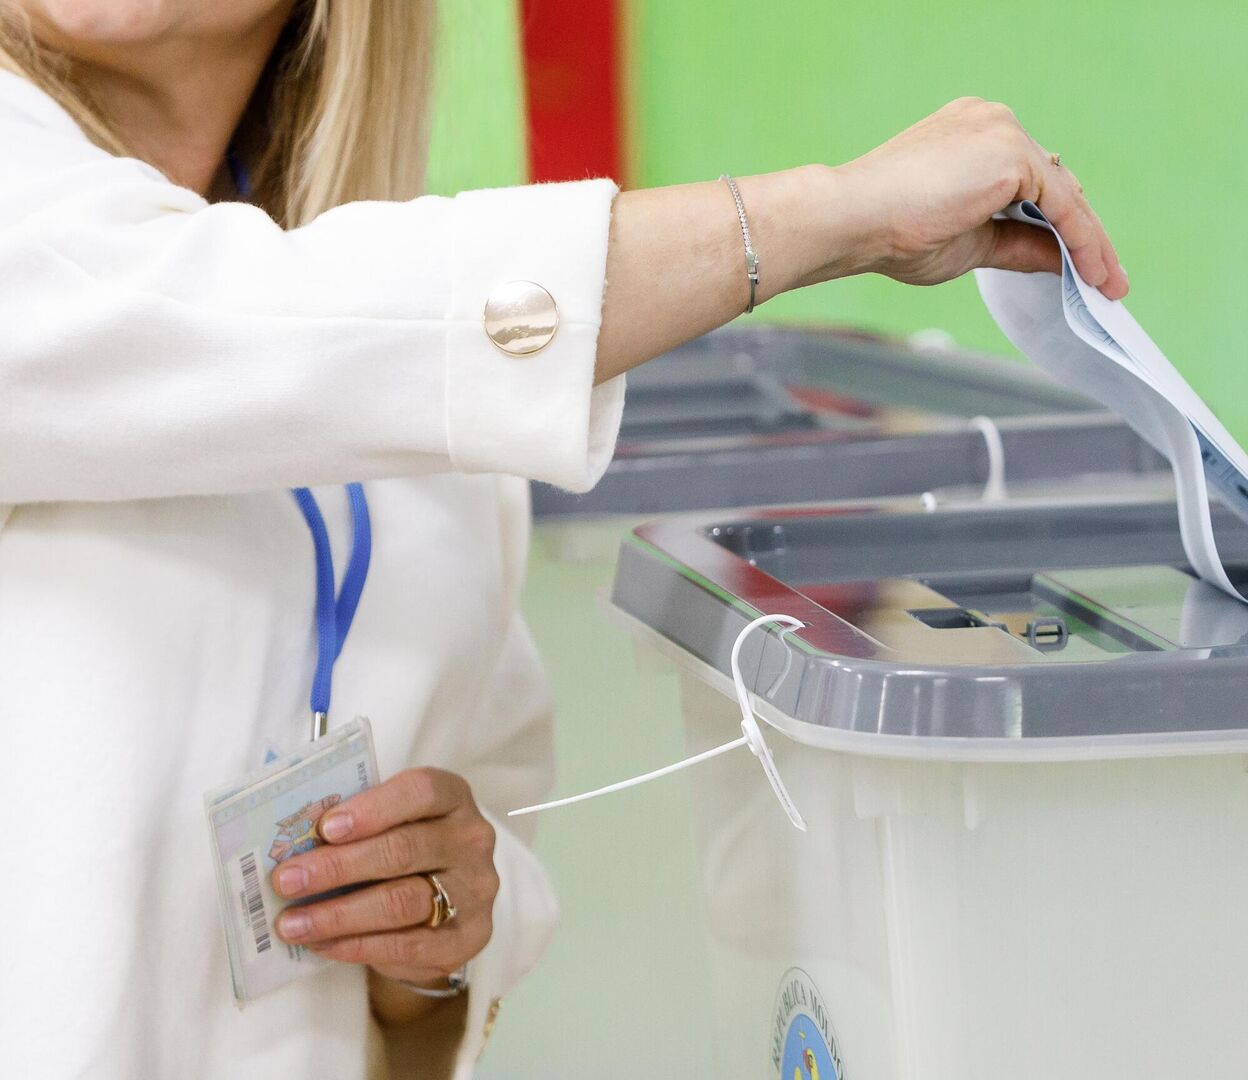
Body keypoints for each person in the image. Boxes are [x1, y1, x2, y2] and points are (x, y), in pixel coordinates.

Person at [0, 2, 1126, 1078]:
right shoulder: (398, 337)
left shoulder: (429, 427)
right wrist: (833, 214)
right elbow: (220, 315)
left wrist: (431, 943)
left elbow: (478, 871)